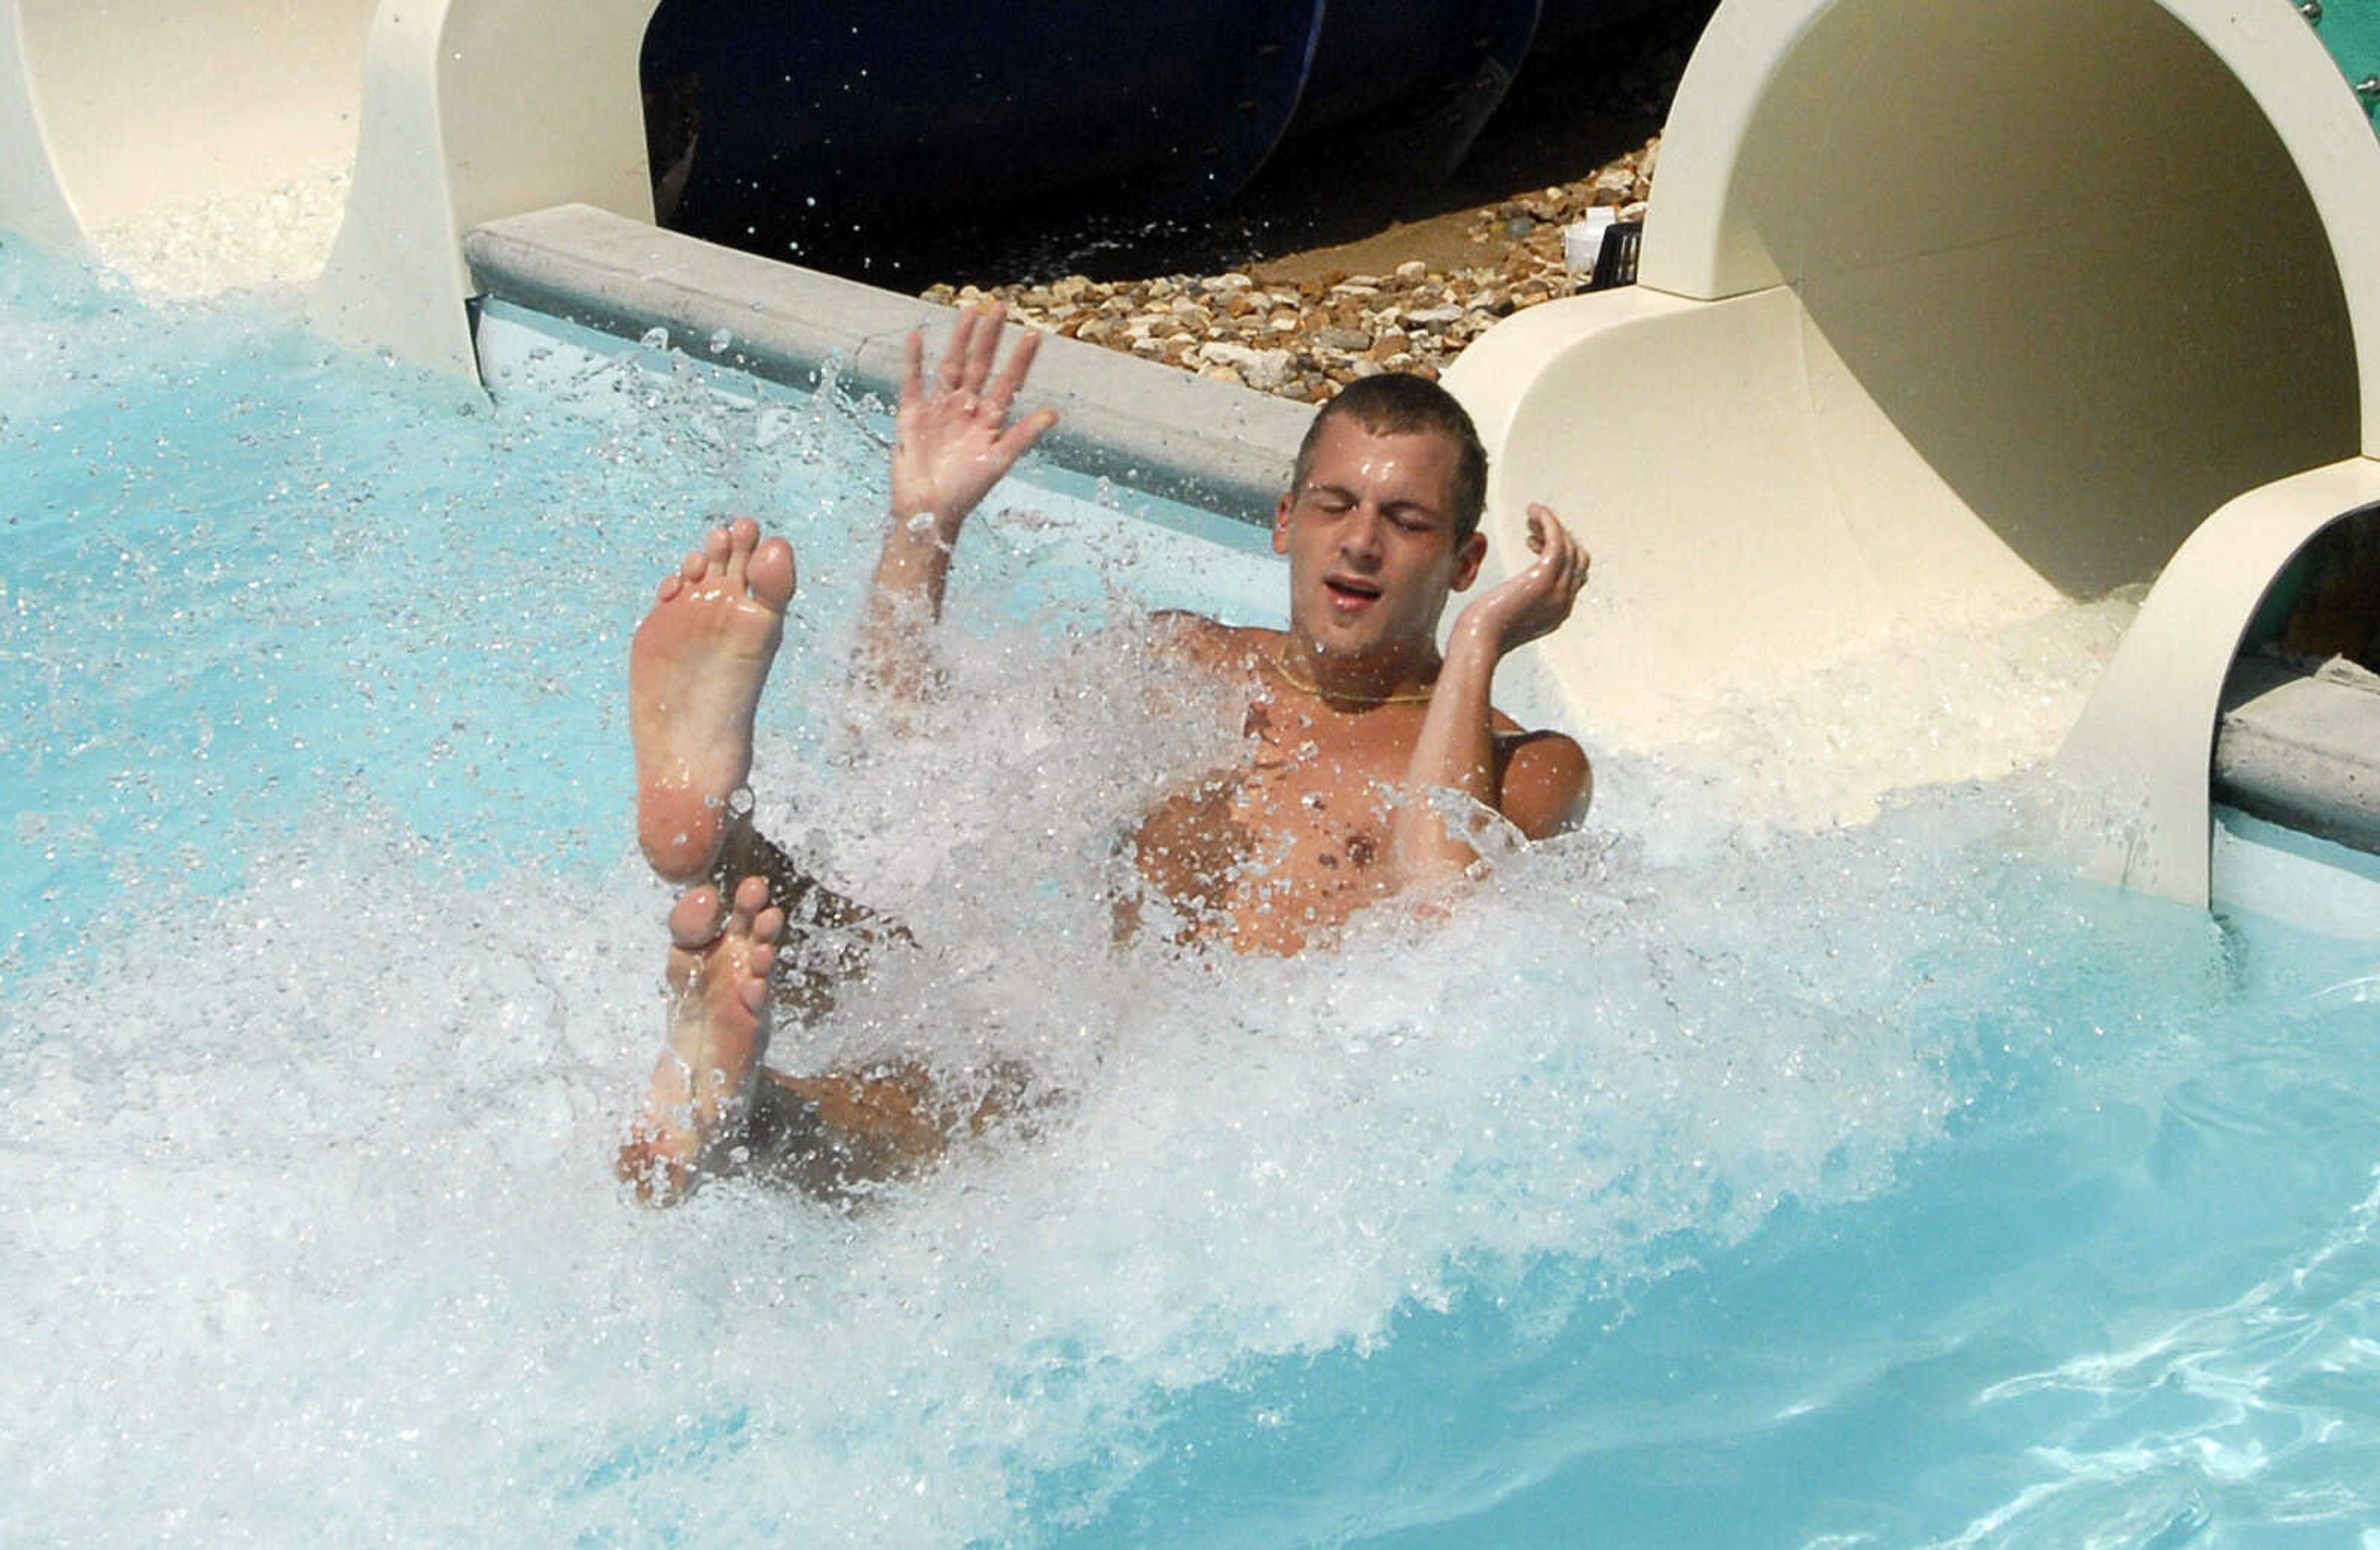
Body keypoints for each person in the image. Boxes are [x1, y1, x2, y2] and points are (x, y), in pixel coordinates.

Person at [617, 305, 1590, 1204]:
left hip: (1258, 1113)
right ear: (1285, 521)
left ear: (1467, 563)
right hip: (1095, 1040)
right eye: (1335, 506)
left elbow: (1443, 926)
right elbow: (913, 755)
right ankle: (711, 850)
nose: (1362, 543)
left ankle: (746, 1108)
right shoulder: (1185, 663)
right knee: (917, 988)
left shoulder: (1524, 763)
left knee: (1002, 1106)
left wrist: (1478, 645)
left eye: (1407, 521)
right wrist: (927, 523)